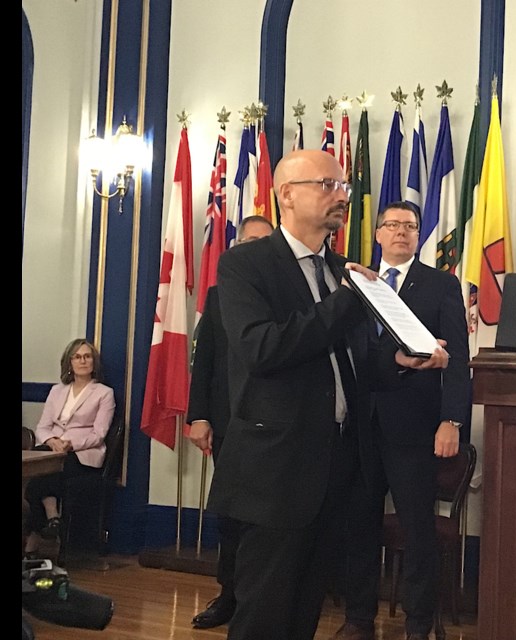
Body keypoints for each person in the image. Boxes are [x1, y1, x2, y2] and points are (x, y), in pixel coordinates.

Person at [205, 149, 449, 640]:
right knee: (263, 615)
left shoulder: (342, 270)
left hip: (335, 469)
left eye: (343, 186)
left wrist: (397, 363)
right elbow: (264, 349)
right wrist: (346, 301)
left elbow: (348, 363)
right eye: (328, 185)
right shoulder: (246, 265)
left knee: (304, 611)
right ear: (286, 195)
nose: (342, 196)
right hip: (276, 472)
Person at [332, 202, 470, 640]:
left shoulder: (440, 285)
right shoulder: (353, 284)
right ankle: (358, 619)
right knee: (359, 525)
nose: (401, 233)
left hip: (414, 427)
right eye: (391, 225)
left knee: (417, 530)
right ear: (377, 234)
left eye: (410, 227)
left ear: (418, 235)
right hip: (358, 425)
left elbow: (458, 361)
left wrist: (452, 420)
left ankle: (417, 623)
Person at [186, 215, 275, 629]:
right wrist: (199, 416)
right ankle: (229, 596)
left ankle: (267, 599)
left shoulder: (286, 294)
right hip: (229, 424)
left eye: (265, 242)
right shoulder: (220, 296)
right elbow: (203, 361)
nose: (256, 248)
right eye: (249, 241)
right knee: (232, 516)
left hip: (279, 427)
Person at [24, 339, 115, 557]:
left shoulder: (104, 393)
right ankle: (52, 519)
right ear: (69, 362)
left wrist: (70, 444)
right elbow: (43, 427)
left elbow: (98, 434)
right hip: (53, 449)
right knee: (37, 470)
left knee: (41, 477)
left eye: (87, 356)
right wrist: (53, 441)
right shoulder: (57, 391)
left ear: (94, 362)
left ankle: (37, 535)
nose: (83, 361)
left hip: (82, 455)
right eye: (78, 356)